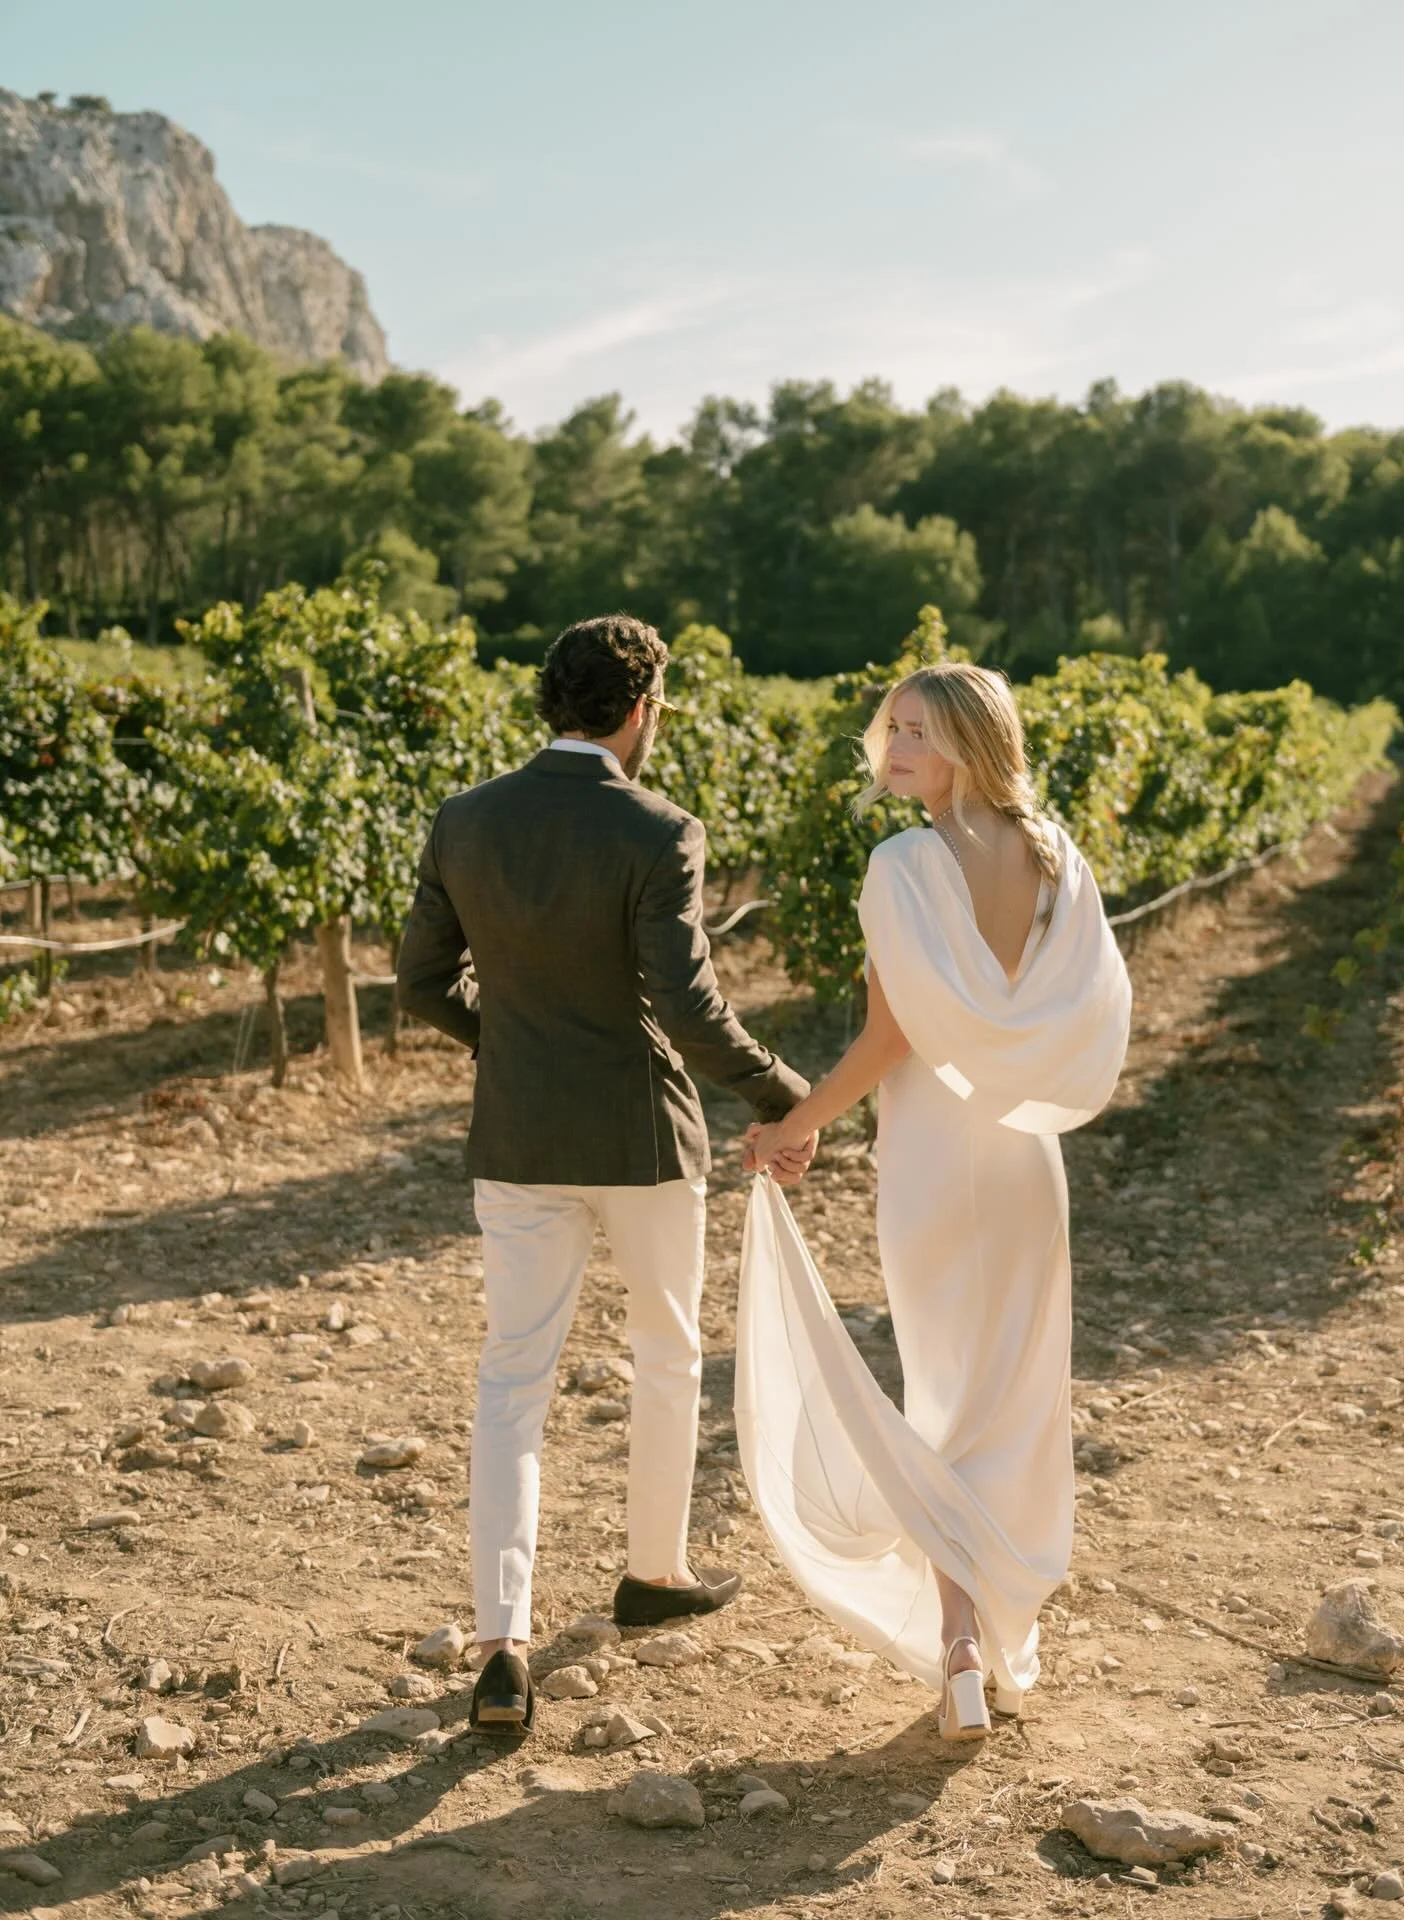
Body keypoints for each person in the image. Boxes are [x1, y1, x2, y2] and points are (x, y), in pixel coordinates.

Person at [395, 613, 815, 1740]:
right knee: (666, 1354)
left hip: (519, 1139)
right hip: (639, 1138)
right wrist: (786, 1095)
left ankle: (500, 1641)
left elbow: (420, 978)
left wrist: (507, 1045)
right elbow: (688, 1007)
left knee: (512, 1379)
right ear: (639, 710)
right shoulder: (659, 828)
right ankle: (652, 1571)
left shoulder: (466, 819)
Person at [738, 661, 1131, 1741]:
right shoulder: (1059, 860)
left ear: (969, 743)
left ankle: (961, 1647)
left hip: (931, 1159)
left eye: (917, 733)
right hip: (1026, 1157)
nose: (893, 750)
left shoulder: (903, 863)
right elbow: (1087, 1017)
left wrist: (792, 1126)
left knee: (948, 1396)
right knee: (1011, 1399)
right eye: (892, 730)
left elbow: (889, 1039)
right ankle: (994, 1641)